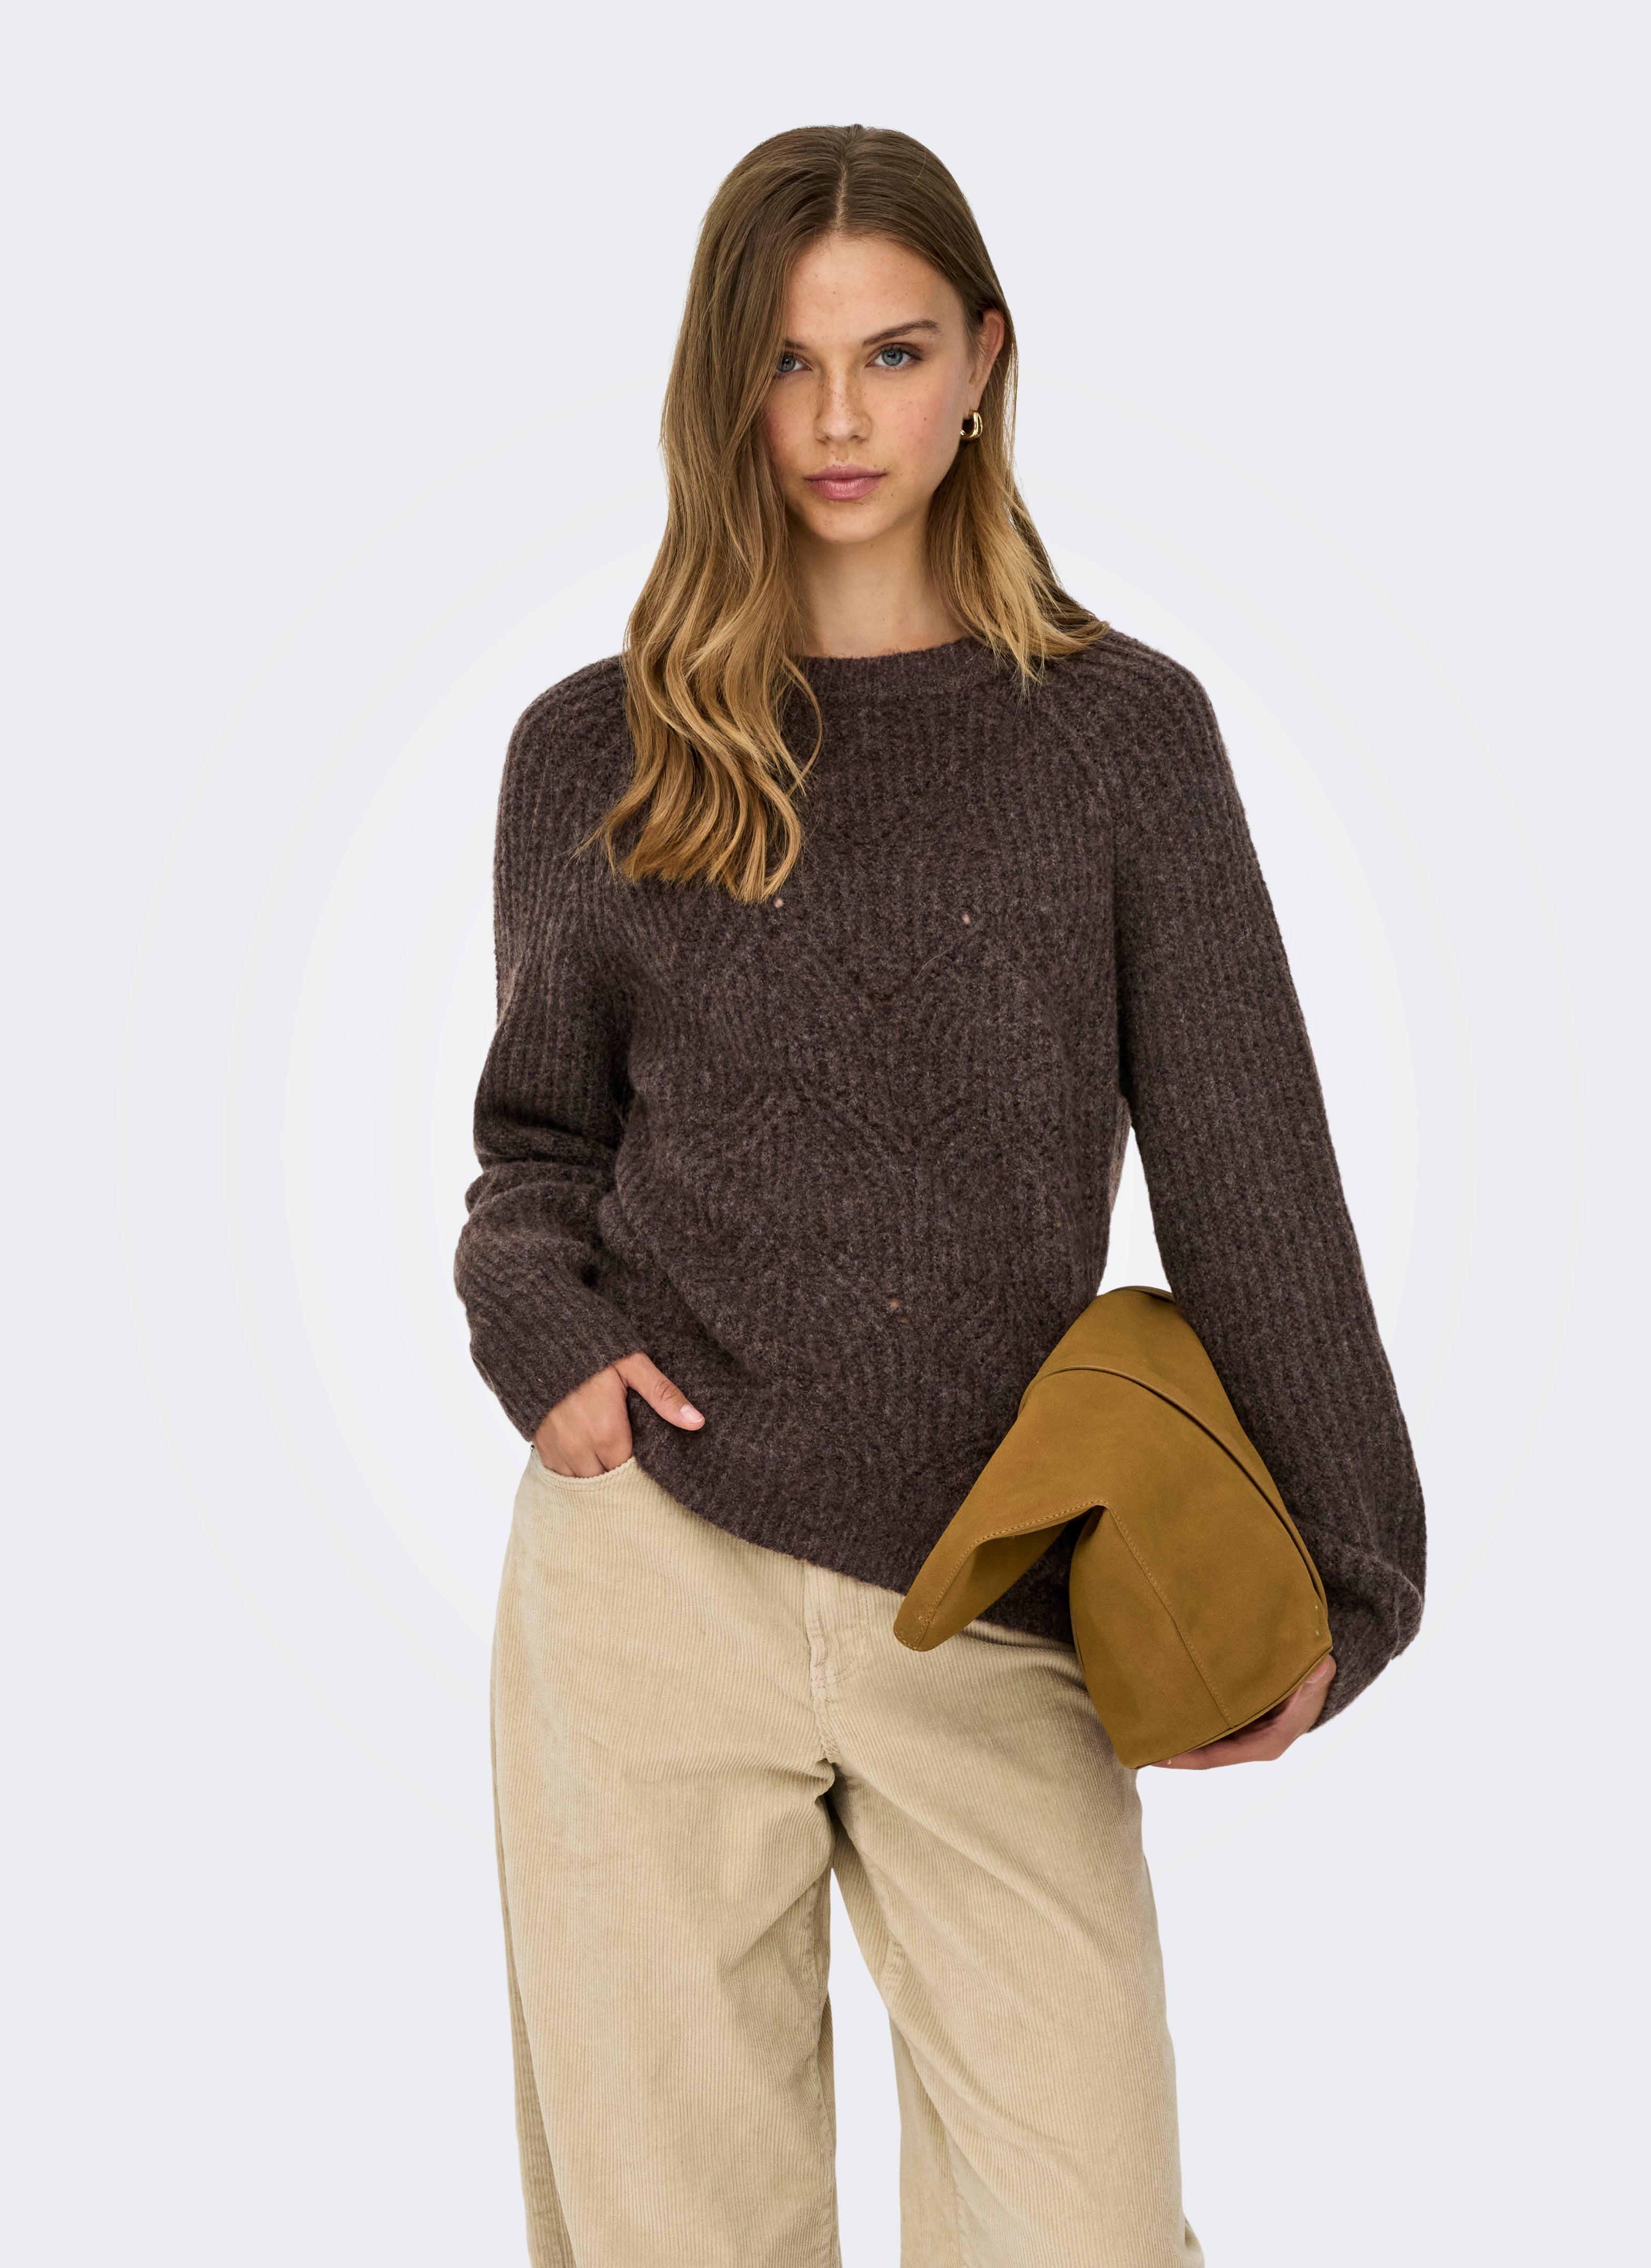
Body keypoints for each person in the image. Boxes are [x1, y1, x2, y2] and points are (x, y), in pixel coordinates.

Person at [454, 122, 1424, 2268]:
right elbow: (535, 1152)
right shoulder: (594, 750)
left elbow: (1253, 1169)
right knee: (669, 2236)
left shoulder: (1119, 739)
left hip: (1000, 1581)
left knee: (1086, 2224)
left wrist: (1356, 1573)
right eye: (785, 364)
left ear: (982, 362)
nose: (838, 418)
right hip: (651, 1574)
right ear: (719, 387)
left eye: (890, 354)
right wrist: (545, 1335)